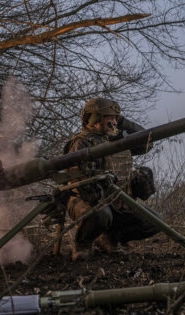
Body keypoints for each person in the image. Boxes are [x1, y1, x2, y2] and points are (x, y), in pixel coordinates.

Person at [61, 98, 160, 260]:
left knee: (154, 221)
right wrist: (102, 184)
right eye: (109, 118)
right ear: (95, 120)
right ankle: (82, 244)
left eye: (115, 118)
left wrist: (123, 122)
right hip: (85, 202)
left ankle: (110, 240)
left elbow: (147, 142)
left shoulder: (117, 141)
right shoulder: (81, 143)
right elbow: (81, 185)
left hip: (117, 200)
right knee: (101, 214)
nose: (114, 122)